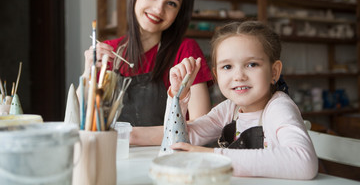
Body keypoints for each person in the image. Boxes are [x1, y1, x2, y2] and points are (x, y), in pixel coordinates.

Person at [131, 21, 318, 179]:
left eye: (252, 64)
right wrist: (179, 96)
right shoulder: (229, 109)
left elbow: (304, 163)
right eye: (227, 67)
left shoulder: (278, 107)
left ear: (274, 72)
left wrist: (214, 156)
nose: (238, 76)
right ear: (216, 75)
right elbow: (180, 139)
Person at [81, 0, 212, 126]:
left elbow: (202, 126)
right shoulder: (108, 52)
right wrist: (87, 74)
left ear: (179, 13)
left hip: (169, 151)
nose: (158, 9)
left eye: (171, 3)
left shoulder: (186, 51)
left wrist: (130, 136)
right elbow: (79, 119)